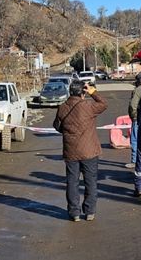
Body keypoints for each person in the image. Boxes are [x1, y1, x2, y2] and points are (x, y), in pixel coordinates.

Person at [53, 79, 108, 222]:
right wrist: (93, 92)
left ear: (69, 91)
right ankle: (89, 212)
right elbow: (104, 104)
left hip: (71, 151)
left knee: (72, 182)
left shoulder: (62, 107)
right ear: (83, 92)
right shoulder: (88, 106)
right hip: (89, 151)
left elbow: (56, 126)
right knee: (90, 181)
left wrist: (67, 132)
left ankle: (74, 212)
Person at [125, 72, 141, 169]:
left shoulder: (137, 90)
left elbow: (133, 105)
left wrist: (133, 117)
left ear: (137, 81)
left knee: (134, 140)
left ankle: (134, 161)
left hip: (138, 118)